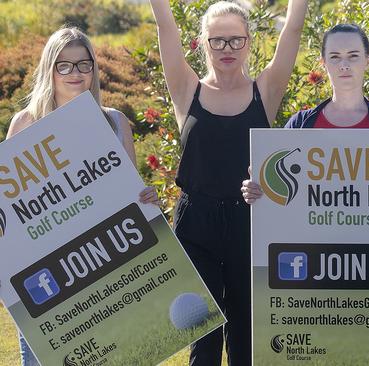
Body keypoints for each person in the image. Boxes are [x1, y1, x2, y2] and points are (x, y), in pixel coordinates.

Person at [149, 0, 307, 364]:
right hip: (195, 225)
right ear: (202, 43)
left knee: (245, 334)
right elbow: (165, 28)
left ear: (249, 42)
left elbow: (293, 32)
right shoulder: (187, 90)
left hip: (249, 224)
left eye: (236, 40)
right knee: (203, 334)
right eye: (217, 41)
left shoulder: (264, 91)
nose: (227, 49)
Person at [5, 26, 159, 366]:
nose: (75, 73)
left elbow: (129, 194)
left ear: (94, 69)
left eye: (83, 64)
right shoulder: (26, 123)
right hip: (43, 276)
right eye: (64, 65)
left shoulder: (115, 122)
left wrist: (147, 199)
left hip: (103, 266)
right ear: (50, 69)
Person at [241, 23, 369, 209]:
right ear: (323, 63)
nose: (344, 65)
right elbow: (280, 186)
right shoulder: (300, 124)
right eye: (335, 56)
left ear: (368, 61)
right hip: (314, 243)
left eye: (353, 55)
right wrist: (259, 189)